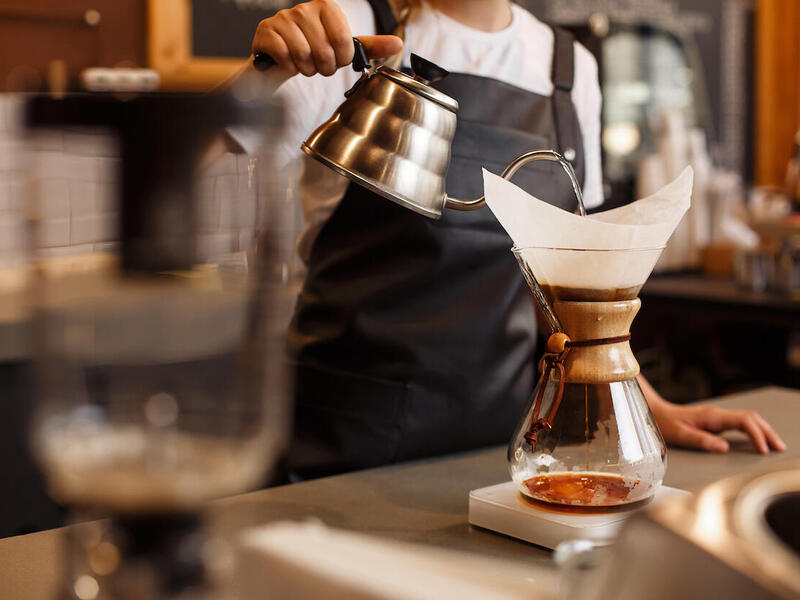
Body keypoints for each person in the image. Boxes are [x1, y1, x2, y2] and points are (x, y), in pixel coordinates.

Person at [237, 0, 785, 478]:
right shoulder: (346, 28)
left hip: (502, 451)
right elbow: (172, 179)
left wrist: (648, 404)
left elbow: (569, 287)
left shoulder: (570, 69)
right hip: (342, 446)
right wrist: (260, 77)